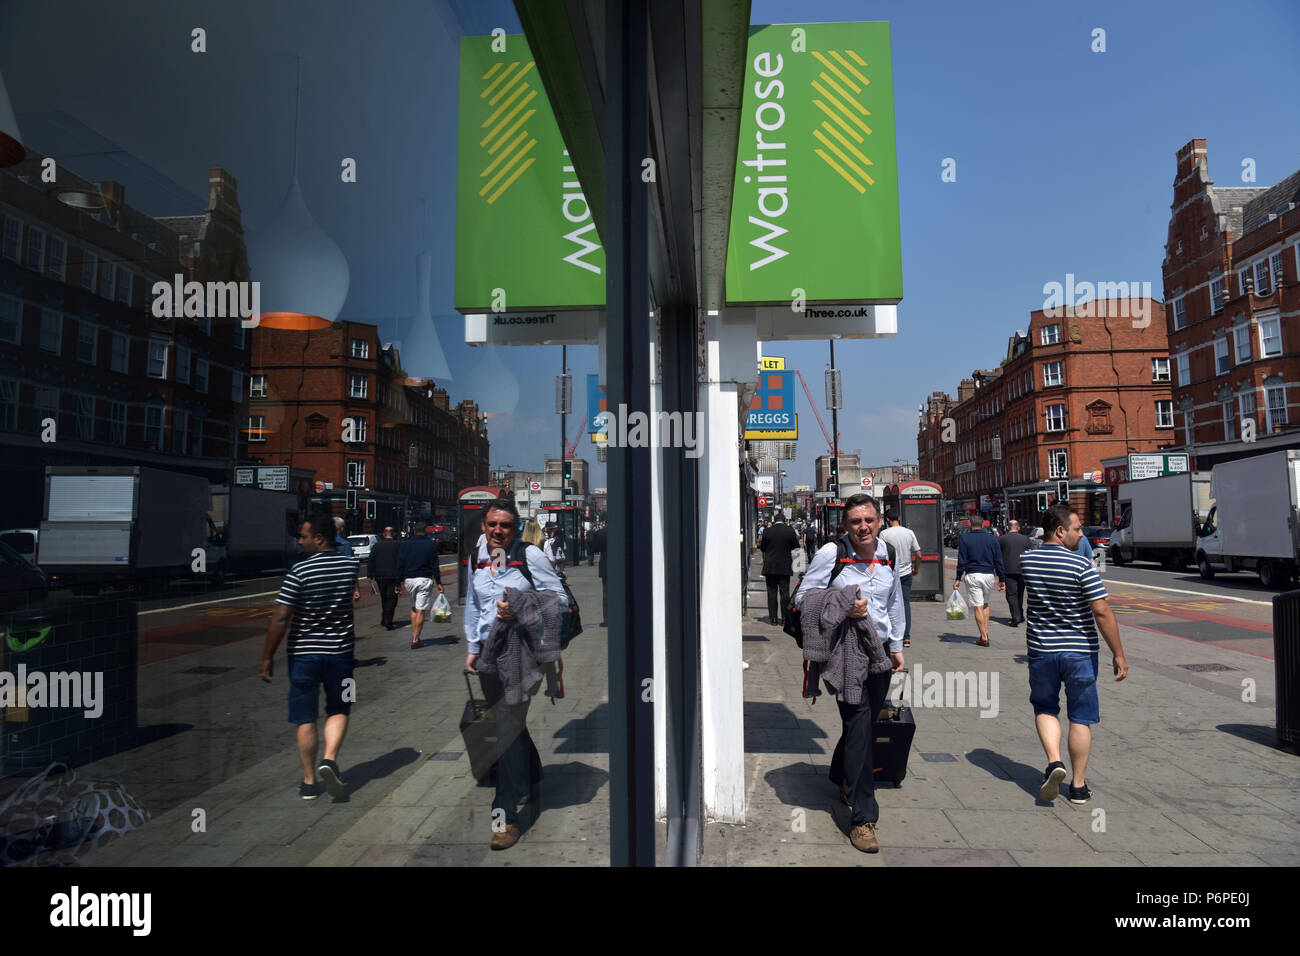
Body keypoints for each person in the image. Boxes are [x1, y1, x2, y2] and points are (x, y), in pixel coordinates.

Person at [793, 493, 905, 854]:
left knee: (865, 725)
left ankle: (840, 775)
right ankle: (863, 818)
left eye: (869, 520)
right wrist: (844, 605)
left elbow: (895, 601)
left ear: (878, 521)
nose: (863, 527)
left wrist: (898, 645)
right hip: (846, 654)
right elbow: (802, 597)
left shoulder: (888, 552)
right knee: (859, 724)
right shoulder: (832, 553)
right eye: (856, 521)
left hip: (880, 651)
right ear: (846, 525)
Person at [465, 498, 569, 850]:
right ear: (483, 525)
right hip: (489, 656)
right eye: (492, 524)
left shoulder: (530, 556)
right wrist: (472, 646)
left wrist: (520, 607)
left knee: (505, 728)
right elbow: (474, 603)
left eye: (505, 525)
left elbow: (559, 599)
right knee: (507, 725)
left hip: (522, 655)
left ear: (516, 527)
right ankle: (534, 775)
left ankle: (504, 817)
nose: (498, 531)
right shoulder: (478, 556)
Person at [1021, 504, 1128, 804]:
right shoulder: (1082, 566)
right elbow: (1102, 611)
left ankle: (1055, 762)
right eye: (1077, 529)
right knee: (1080, 717)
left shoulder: (1028, 560)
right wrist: (1118, 653)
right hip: (1079, 652)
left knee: (1045, 708)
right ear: (1060, 531)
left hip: (1042, 650)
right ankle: (1078, 787)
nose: (1082, 535)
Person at [260, 514, 361, 800]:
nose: (300, 541)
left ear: (319, 538)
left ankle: (307, 783)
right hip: (340, 654)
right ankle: (329, 759)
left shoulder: (299, 572)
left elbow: (281, 617)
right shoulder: (350, 566)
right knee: (339, 709)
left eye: (304, 537)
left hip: (303, 655)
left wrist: (268, 656)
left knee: (305, 717)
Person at [955, 514, 1005, 646]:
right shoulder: (992, 539)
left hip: (973, 575)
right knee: (986, 604)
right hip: (989, 575)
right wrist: (1002, 578)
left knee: (978, 606)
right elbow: (998, 560)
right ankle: (985, 631)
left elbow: (962, 561)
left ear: (970, 525)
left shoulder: (965, 539)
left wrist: (958, 578)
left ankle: (984, 637)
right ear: (983, 525)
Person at [879, 508, 922, 648]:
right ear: (898, 518)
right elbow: (919, 554)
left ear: (887, 520)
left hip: (890, 573)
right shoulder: (909, 533)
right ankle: (906, 637)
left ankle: (892, 635)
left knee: (889, 604)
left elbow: (881, 554)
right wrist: (916, 568)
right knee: (905, 604)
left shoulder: (884, 534)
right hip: (906, 573)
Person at [397, 526, 444, 649]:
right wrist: (439, 582)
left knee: (414, 607)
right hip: (424, 579)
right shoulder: (431, 544)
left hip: (409, 580)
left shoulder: (405, 545)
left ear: (414, 531)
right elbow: (435, 565)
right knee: (421, 609)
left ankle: (415, 635)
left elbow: (400, 564)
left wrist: (398, 583)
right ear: (425, 531)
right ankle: (415, 639)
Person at [758, 514, 799, 627]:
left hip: (770, 566)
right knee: (784, 593)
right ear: (784, 520)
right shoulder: (790, 530)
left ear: (774, 520)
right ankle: (785, 618)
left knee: (771, 593)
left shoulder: (767, 531)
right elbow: (795, 546)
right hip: (784, 566)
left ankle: (773, 619)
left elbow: (763, 547)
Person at [998, 519, 1036, 627]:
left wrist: (998, 571)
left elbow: (997, 556)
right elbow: (1032, 553)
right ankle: (1020, 614)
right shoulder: (1025, 539)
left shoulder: (1001, 539)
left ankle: (1016, 617)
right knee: (1020, 594)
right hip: (1023, 570)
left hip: (1008, 571)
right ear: (1018, 528)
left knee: (1011, 595)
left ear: (1007, 528)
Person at [368, 525, 401, 630]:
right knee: (392, 599)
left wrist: (369, 574)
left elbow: (371, 560)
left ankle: (384, 619)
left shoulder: (376, 546)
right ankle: (388, 621)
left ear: (383, 534)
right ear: (394, 534)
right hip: (393, 575)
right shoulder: (398, 545)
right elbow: (401, 561)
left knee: (384, 598)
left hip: (380, 576)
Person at [589, 522, 608, 625]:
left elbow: (594, 548)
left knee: (606, 594)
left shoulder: (601, 533)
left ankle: (607, 620)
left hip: (605, 566)